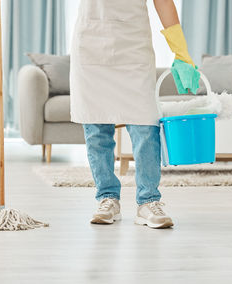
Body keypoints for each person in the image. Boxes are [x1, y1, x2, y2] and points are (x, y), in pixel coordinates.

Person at [70, 0, 197, 229]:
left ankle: (148, 201)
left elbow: (164, 3)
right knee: (97, 128)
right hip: (90, 43)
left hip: (133, 45)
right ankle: (107, 198)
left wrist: (180, 50)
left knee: (145, 125)